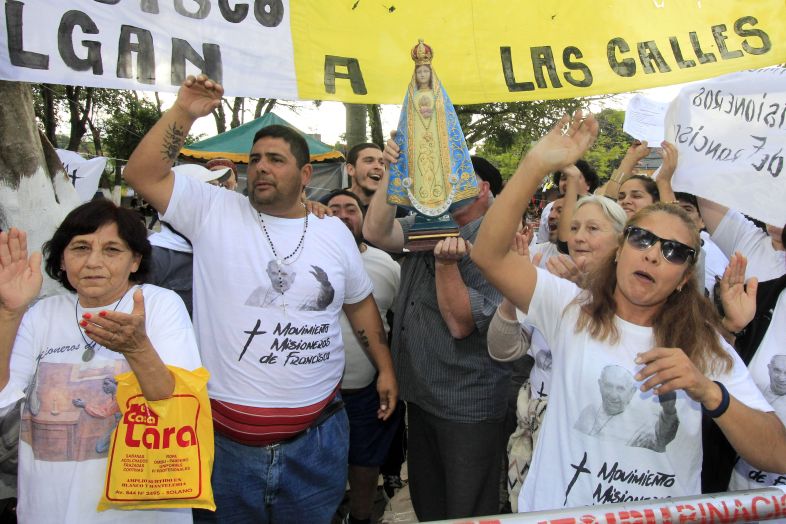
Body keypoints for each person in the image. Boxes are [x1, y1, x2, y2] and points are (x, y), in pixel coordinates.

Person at [471, 111, 786, 511]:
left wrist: (709, 392)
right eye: (641, 238)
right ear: (621, 249)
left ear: (686, 277)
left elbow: (777, 452)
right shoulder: (569, 308)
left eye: (674, 251)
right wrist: (536, 164)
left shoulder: (704, 350)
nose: (654, 254)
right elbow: (488, 254)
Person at [123, 75, 398, 524]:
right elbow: (141, 174)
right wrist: (185, 112)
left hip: (317, 442)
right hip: (226, 447)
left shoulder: (333, 232)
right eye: (254, 159)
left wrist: (384, 366)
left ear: (306, 175)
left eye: (276, 159)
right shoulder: (212, 211)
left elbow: (359, 304)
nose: (261, 167)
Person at [0, 200, 202, 523]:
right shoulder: (41, 315)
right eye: (80, 247)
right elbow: (2, 398)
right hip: (48, 511)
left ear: (135, 260)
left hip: (138, 512)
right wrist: (10, 313)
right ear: (62, 260)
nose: (94, 262)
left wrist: (137, 349)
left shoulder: (160, 306)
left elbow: (179, 407)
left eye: (112, 250)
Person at [364, 143, 510, 520]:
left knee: (466, 509)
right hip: (422, 395)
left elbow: (461, 324)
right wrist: (392, 173)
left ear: (483, 190)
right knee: (430, 504)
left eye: (459, 179)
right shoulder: (427, 225)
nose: (446, 186)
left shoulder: (499, 242)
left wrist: (447, 265)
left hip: (466, 404)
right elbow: (376, 231)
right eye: (443, 179)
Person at [324, 189, 403, 524]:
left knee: (365, 461)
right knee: (320, 464)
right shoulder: (302, 257)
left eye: (351, 209)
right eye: (334, 209)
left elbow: (398, 320)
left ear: (363, 215)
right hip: (316, 393)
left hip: (367, 388)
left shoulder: (385, 264)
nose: (343, 216)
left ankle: (360, 517)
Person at [147, 164, 234, 317]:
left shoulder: (221, 250)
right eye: (210, 188)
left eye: (218, 187)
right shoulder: (154, 256)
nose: (218, 194)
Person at [345, 143, 385, 213]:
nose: (378, 167)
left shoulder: (394, 209)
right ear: (351, 169)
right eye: (369, 161)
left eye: (382, 163)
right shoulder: (329, 205)